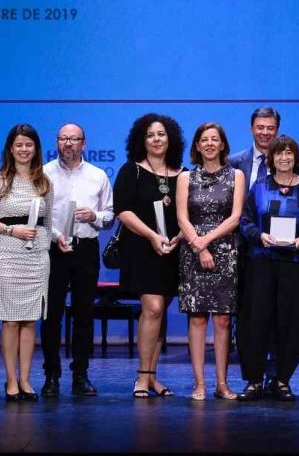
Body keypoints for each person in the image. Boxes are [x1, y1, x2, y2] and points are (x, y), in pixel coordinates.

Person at [236, 135, 299, 402]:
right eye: (279, 153)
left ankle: (282, 380)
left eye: (289, 153)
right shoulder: (259, 187)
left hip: (294, 265)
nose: (284, 158)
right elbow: (244, 221)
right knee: (256, 322)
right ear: (272, 158)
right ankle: (254, 381)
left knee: (291, 322)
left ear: (296, 158)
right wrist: (259, 236)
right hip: (261, 263)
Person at [114, 113, 185, 398]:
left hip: (173, 250)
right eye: (150, 135)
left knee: (160, 312)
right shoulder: (131, 170)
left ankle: (153, 376)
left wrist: (180, 237)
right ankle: (142, 376)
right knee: (152, 308)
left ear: (171, 139)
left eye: (161, 134)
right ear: (141, 141)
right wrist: (153, 236)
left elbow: (189, 214)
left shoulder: (183, 173)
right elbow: (122, 210)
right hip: (142, 249)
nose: (156, 140)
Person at [40, 122, 114, 397]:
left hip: (85, 248)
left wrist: (95, 216)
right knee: (51, 314)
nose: (68, 143)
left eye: (74, 139)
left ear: (84, 144)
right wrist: (56, 235)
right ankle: (51, 375)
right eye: (63, 138)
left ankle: (80, 374)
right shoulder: (44, 174)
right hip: (54, 247)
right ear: (57, 142)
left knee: (84, 313)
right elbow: (39, 215)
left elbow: (110, 215)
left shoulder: (97, 176)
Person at [0, 123, 54, 402]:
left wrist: (47, 247)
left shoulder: (44, 182)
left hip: (37, 258)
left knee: (29, 321)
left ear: (36, 148)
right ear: (10, 149)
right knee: (10, 321)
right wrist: (12, 230)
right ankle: (11, 380)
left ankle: (25, 379)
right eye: (19, 145)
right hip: (7, 256)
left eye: (29, 145)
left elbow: (49, 221)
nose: (24, 149)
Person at [177, 122, 245, 400]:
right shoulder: (185, 177)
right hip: (193, 252)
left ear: (222, 144)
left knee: (223, 320)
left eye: (214, 139)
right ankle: (199, 383)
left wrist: (207, 241)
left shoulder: (236, 175)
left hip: (226, 251)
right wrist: (199, 246)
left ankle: (222, 383)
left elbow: (235, 217)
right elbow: (182, 218)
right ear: (197, 145)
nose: (209, 144)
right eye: (204, 139)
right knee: (197, 319)